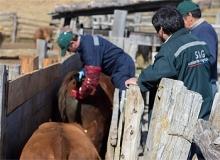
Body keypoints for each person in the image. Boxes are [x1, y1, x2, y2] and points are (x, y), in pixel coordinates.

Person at [125, 6, 213, 120]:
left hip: (184, 111)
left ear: (161, 30)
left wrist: (140, 80)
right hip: (204, 106)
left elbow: (158, 72)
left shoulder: (171, 49)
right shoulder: (199, 43)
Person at [57, 30, 135, 99]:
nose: (69, 52)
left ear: (72, 44)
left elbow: (92, 77)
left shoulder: (88, 49)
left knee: (122, 94)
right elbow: (90, 64)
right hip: (113, 66)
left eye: (68, 49)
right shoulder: (85, 41)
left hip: (122, 67)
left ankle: (126, 113)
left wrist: (80, 93)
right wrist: (82, 73)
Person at [177, 0, 218, 97]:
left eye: (181, 19)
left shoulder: (204, 30)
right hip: (200, 85)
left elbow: (210, 58)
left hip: (205, 86)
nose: (180, 23)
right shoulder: (195, 30)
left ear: (190, 16)